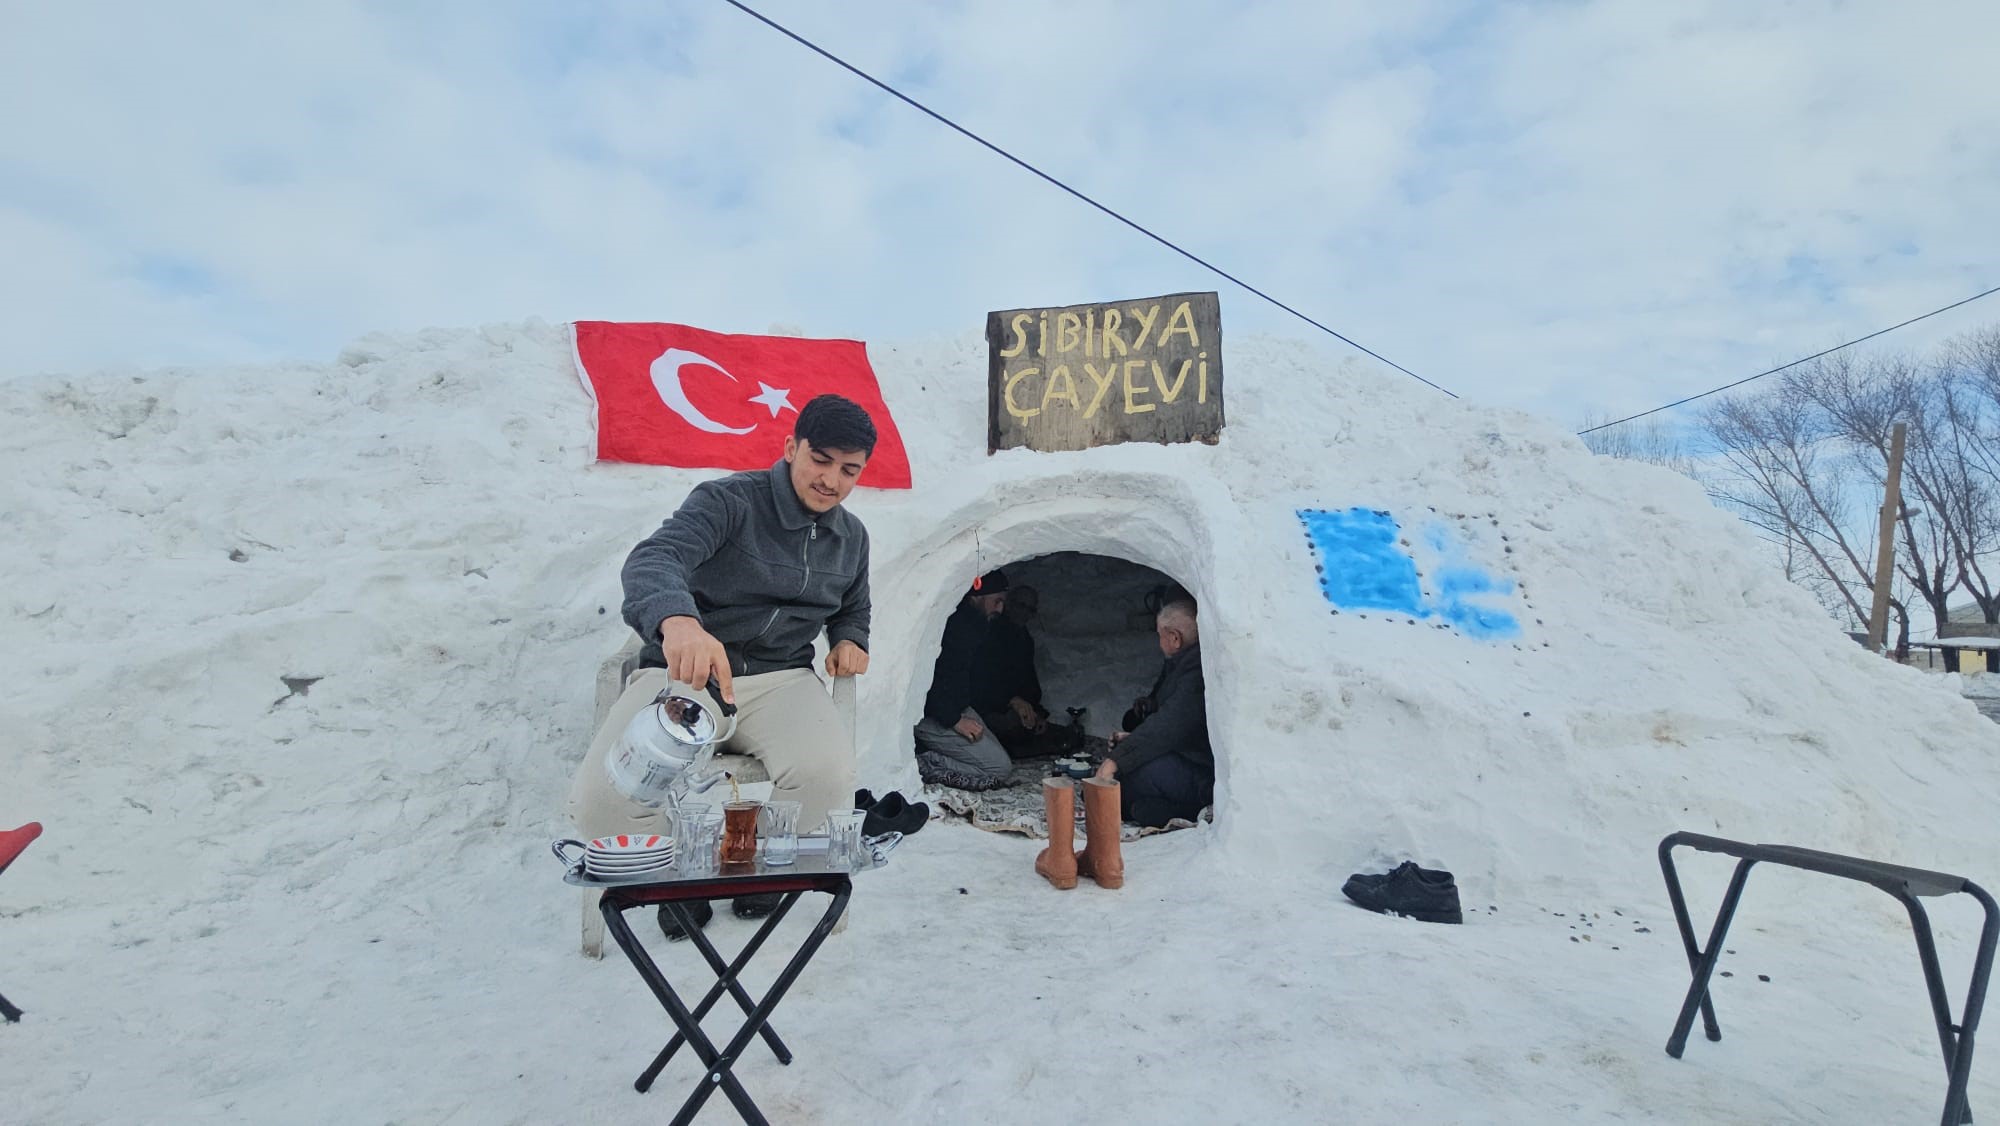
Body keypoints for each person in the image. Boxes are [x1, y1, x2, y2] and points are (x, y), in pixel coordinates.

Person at [566, 394, 877, 936]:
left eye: (849, 470)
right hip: (694, 673)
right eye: (820, 459)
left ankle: (763, 877)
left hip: (783, 679)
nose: (831, 479)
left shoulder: (851, 538)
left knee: (828, 777)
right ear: (790, 448)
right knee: (605, 796)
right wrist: (678, 621)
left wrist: (851, 637)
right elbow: (655, 559)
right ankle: (677, 886)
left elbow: (855, 605)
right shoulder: (728, 501)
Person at [1094, 598, 1212, 828]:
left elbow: (1170, 724)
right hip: (1184, 759)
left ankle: (1192, 808)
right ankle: (1158, 810)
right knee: (1127, 790)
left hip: (1201, 773)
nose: (1159, 642)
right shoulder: (1182, 662)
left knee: (1115, 787)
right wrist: (1131, 741)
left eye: (1160, 635)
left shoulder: (1197, 668)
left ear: (1175, 638)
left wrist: (1113, 762)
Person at [913, 570, 1015, 788]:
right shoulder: (954, 627)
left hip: (958, 708)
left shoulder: (977, 625)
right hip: (934, 716)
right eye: (997, 601)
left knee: (1000, 757)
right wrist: (955, 721)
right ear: (977, 596)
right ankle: (920, 762)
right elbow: (931, 679)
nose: (1000, 609)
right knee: (1000, 769)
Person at [971, 584, 1052, 755]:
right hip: (988, 708)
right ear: (1009, 604)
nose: (1025, 613)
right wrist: (1010, 700)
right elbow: (980, 681)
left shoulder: (1024, 638)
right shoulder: (989, 631)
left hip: (1014, 709)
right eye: (1021, 606)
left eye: (1030, 609)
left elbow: (1028, 681)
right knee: (1010, 727)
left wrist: (1037, 712)